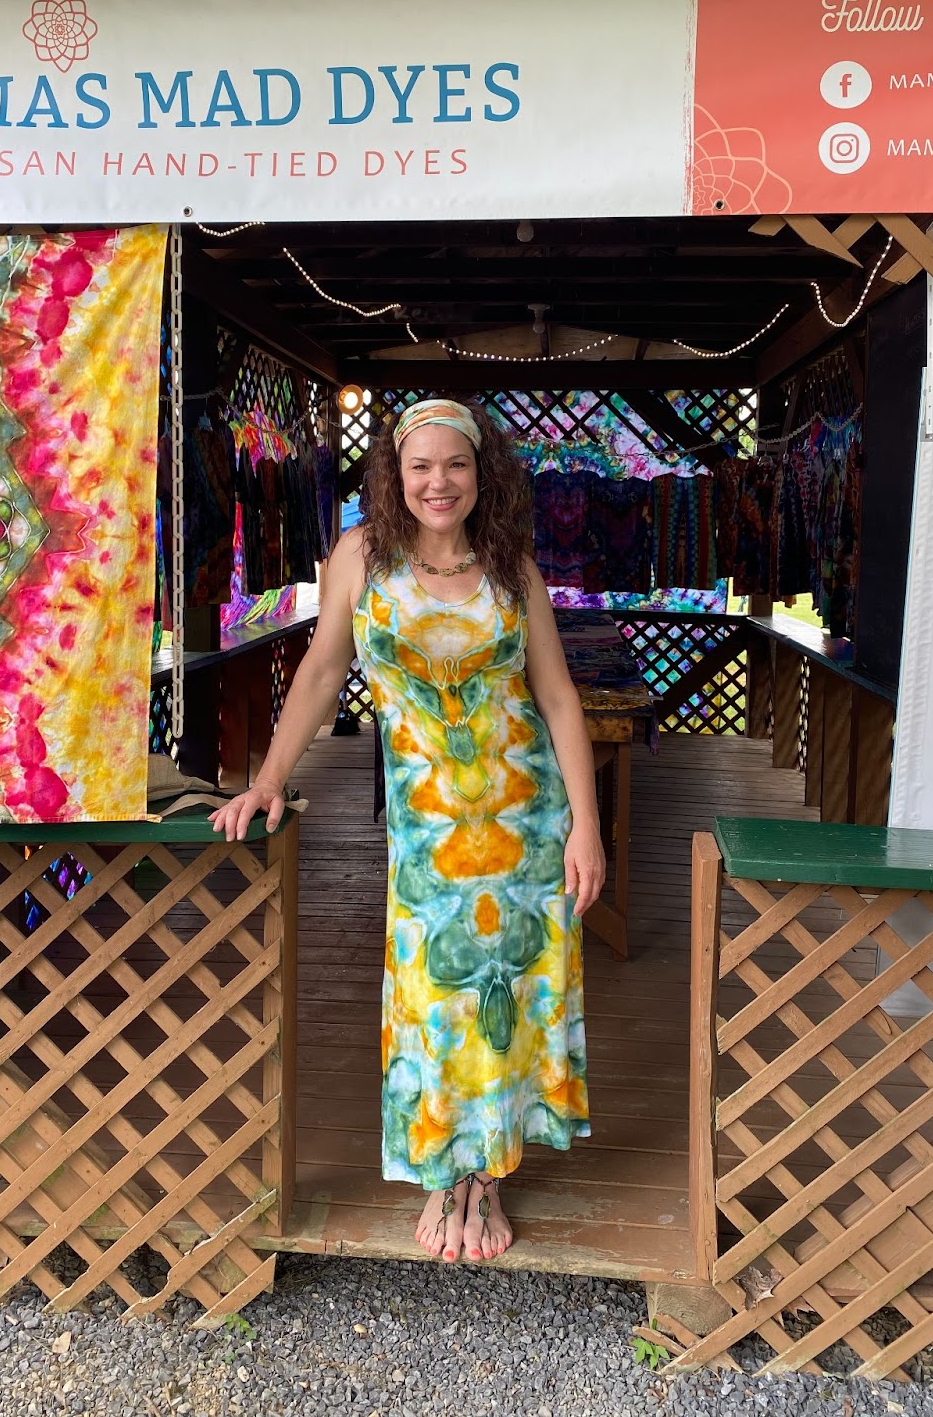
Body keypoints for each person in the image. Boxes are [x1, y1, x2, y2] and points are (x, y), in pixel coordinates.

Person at [213, 396, 604, 1264]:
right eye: (420, 466)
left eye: (456, 465)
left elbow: (557, 698)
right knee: (437, 1003)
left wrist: (587, 827)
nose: (439, 482)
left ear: (480, 474)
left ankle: (486, 1179)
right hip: (427, 833)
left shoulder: (512, 568)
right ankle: (442, 1173)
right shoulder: (361, 557)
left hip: (525, 822)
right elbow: (320, 673)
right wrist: (266, 780)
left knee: (507, 999)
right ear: (395, 475)